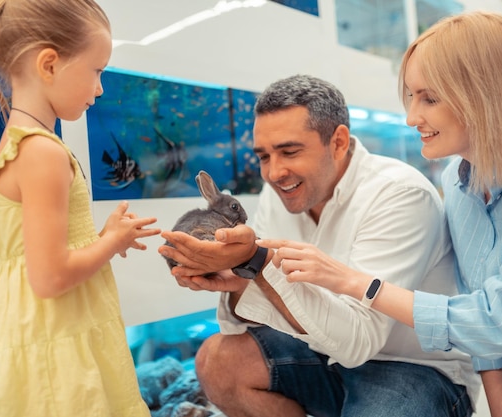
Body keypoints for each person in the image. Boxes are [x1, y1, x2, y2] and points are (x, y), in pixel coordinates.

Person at [256, 11, 502, 417]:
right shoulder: (461, 182)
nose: (412, 117)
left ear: (484, 93)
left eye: (429, 98)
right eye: (411, 97)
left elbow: (495, 322)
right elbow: (484, 329)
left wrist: (355, 282)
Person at [159, 74, 480, 417]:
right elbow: (245, 320)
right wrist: (236, 278)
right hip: (318, 350)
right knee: (217, 360)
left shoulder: (399, 194)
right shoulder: (278, 192)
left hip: (411, 366)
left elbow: (360, 341)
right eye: (264, 156)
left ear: (339, 142)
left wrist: (257, 265)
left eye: (290, 151)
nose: (274, 172)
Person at [0, 1, 161, 415]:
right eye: (96, 71)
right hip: (56, 334)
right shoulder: (42, 154)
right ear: (49, 65)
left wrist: (102, 235)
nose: (100, 88)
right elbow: (50, 277)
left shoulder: (19, 142)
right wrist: (111, 241)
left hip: (39, 325)